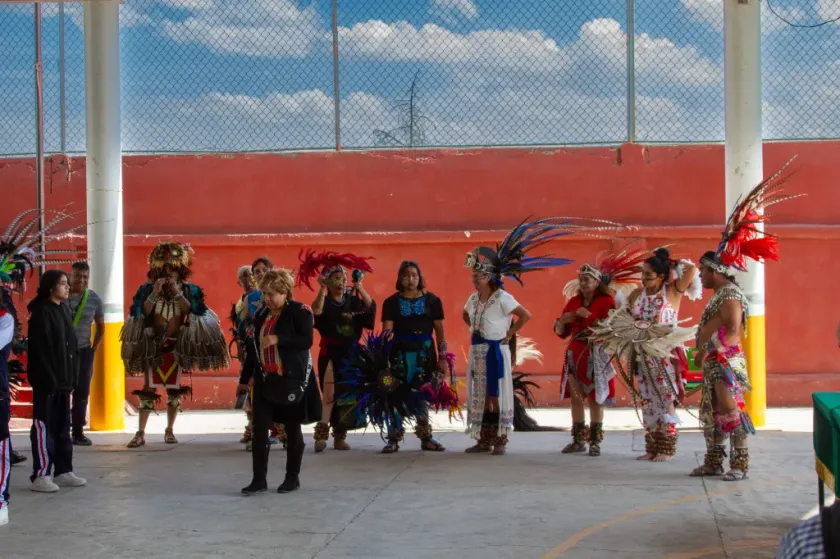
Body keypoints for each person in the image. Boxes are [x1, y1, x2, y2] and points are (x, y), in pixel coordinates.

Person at [691, 158, 802, 481]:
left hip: (724, 361)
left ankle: (739, 465)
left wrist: (710, 351)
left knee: (729, 411)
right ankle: (714, 462)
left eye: (704, 271)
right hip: (715, 361)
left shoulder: (729, 296)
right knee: (713, 412)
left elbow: (732, 331)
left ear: (716, 272)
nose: (700, 275)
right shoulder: (720, 294)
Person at [462, 217, 581, 455]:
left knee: (496, 395)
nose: (475, 279)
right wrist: (473, 327)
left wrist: (509, 333)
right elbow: (465, 314)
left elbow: (525, 315)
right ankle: (483, 439)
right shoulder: (473, 299)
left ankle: (499, 439)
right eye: (473, 276)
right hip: (478, 350)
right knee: (481, 396)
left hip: (496, 350)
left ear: (490, 277)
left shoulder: (502, 297)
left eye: (479, 276)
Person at [590, 247, 701, 461]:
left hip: (665, 355)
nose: (643, 278)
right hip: (642, 355)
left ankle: (666, 448)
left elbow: (691, 269)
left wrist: (670, 261)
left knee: (665, 396)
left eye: (648, 275)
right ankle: (651, 446)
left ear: (661, 276)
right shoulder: (636, 295)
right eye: (642, 274)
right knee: (647, 398)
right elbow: (624, 317)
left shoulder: (672, 291)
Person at [121, 241, 229, 447]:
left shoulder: (190, 290)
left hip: (177, 346)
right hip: (153, 347)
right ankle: (140, 433)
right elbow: (140, 312)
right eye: (163, 270)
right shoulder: (146, 289)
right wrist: (155, 293)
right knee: (148, 388)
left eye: (171, 270)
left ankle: (169, 430)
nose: (167, 273)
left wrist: (177, 293)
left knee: (174, 389)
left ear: (180, 271)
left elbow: (194, 312)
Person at [556, 245, 650, 457]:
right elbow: (561, 330)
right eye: (581, 279)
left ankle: (595, 441)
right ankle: (578, 439)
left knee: (595, 397)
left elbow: (612, 328)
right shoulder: (573, 301)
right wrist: (562, 321)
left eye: (587, 279)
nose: (583, 283)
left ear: (597, 282)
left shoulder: (607, 301)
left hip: (596, 353)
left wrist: (588, 316)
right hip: (574, 353)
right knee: (576, 397)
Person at [238, 269, 321, 495]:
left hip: (290, 381)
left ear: (285, 292)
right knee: (259, 430)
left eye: (272, 293)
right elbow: (254, 350)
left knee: (292, 430)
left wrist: (278, 338)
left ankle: (292, 478)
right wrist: (244, 380)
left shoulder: (299, 312)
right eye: (265, 293)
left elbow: (306, 341)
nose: (267, 298)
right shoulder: (260, 315)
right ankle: (258, 480)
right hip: (265, 380)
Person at [297, 250, 375, 452]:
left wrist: (360, 287)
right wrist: (322, 289)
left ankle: (340, 436)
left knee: (347, 396)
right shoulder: (325, 301)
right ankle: (321, 433)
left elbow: (369, 307)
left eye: (343, 278)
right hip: (331, 353)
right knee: (329, 395)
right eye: (335, 278)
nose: (340, 282)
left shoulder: (353, 300)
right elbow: (316, 311)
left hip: (351, 355)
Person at [378, 261, 448, 453]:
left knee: (422, 395)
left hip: (425, 355)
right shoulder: (391, 302)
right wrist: (383, 358)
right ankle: (393, 438)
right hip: (399, 355)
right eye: (406, 275)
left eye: (414, 275)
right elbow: (386, 332)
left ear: (420, 278)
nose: (410, 279)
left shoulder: (433, 300)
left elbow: (440, 331)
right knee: (395, 394)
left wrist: (443, 357)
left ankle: (426, 437)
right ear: (400, 279)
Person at [27, 270, 86, 492]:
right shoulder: (41, 312)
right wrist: (48, 378)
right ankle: (41, 474)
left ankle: (63, 471)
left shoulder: (63, 309)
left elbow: (70, 346)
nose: (68, 287)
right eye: (63, 283)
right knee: (45, 427)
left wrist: (72, 376)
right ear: (51, 287)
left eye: (67, 283)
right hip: (47, 383)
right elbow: (40, 350)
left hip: (64, 381)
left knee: (62, 427)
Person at [66, 262, 104, 446]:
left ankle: (78, 432)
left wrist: (93, 349)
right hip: (62, 352)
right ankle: (60, 430)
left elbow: (101, 326)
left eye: (85, 277)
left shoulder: (94, 299)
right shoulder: (60, 295)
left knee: (82, 392)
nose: (81, 280)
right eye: (77, 276)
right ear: (70, 276)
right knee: (62, 390)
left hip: (84, 351)